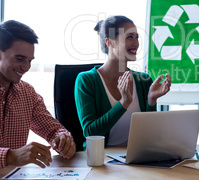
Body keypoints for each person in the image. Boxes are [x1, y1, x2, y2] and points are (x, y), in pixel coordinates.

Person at [75, 15, 171, 148]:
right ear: (110, 43)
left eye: (137, 37)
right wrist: (123, 103)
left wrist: (151, 100)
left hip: (136, 156)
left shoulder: (143, 80)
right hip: (101, 159)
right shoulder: (87, 80)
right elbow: (91, 132)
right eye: (129, 37)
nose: (136, 43)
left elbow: (149, 134)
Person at [0, 20, 76, 169]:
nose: (26, 67)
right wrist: (11, 156)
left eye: (29, 61)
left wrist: (63, 139)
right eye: (20, 59)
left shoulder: (27, 93)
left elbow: (53, 130)